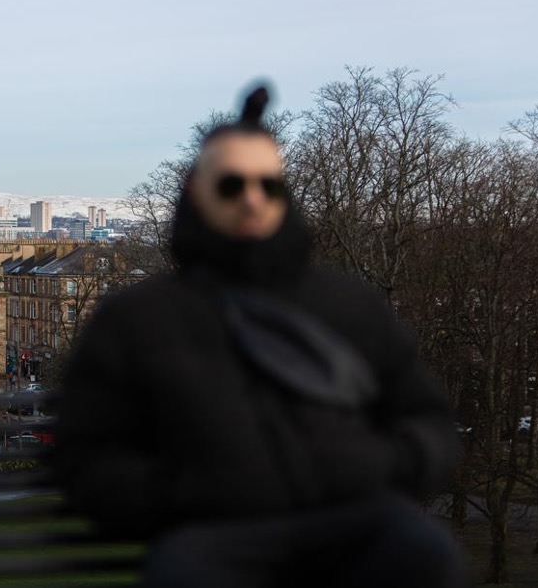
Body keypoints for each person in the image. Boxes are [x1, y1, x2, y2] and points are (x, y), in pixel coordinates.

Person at [54, 85, 467, 587]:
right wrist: (182, 496)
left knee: (425, 556)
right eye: (232, 185)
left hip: (355, 523)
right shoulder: (137, 317)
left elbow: (426, 419)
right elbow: (87, 456)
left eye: (267, 185)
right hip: (214, 536)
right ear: (197, 190)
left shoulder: (348, 303)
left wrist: (382, 464)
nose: (251, 198)